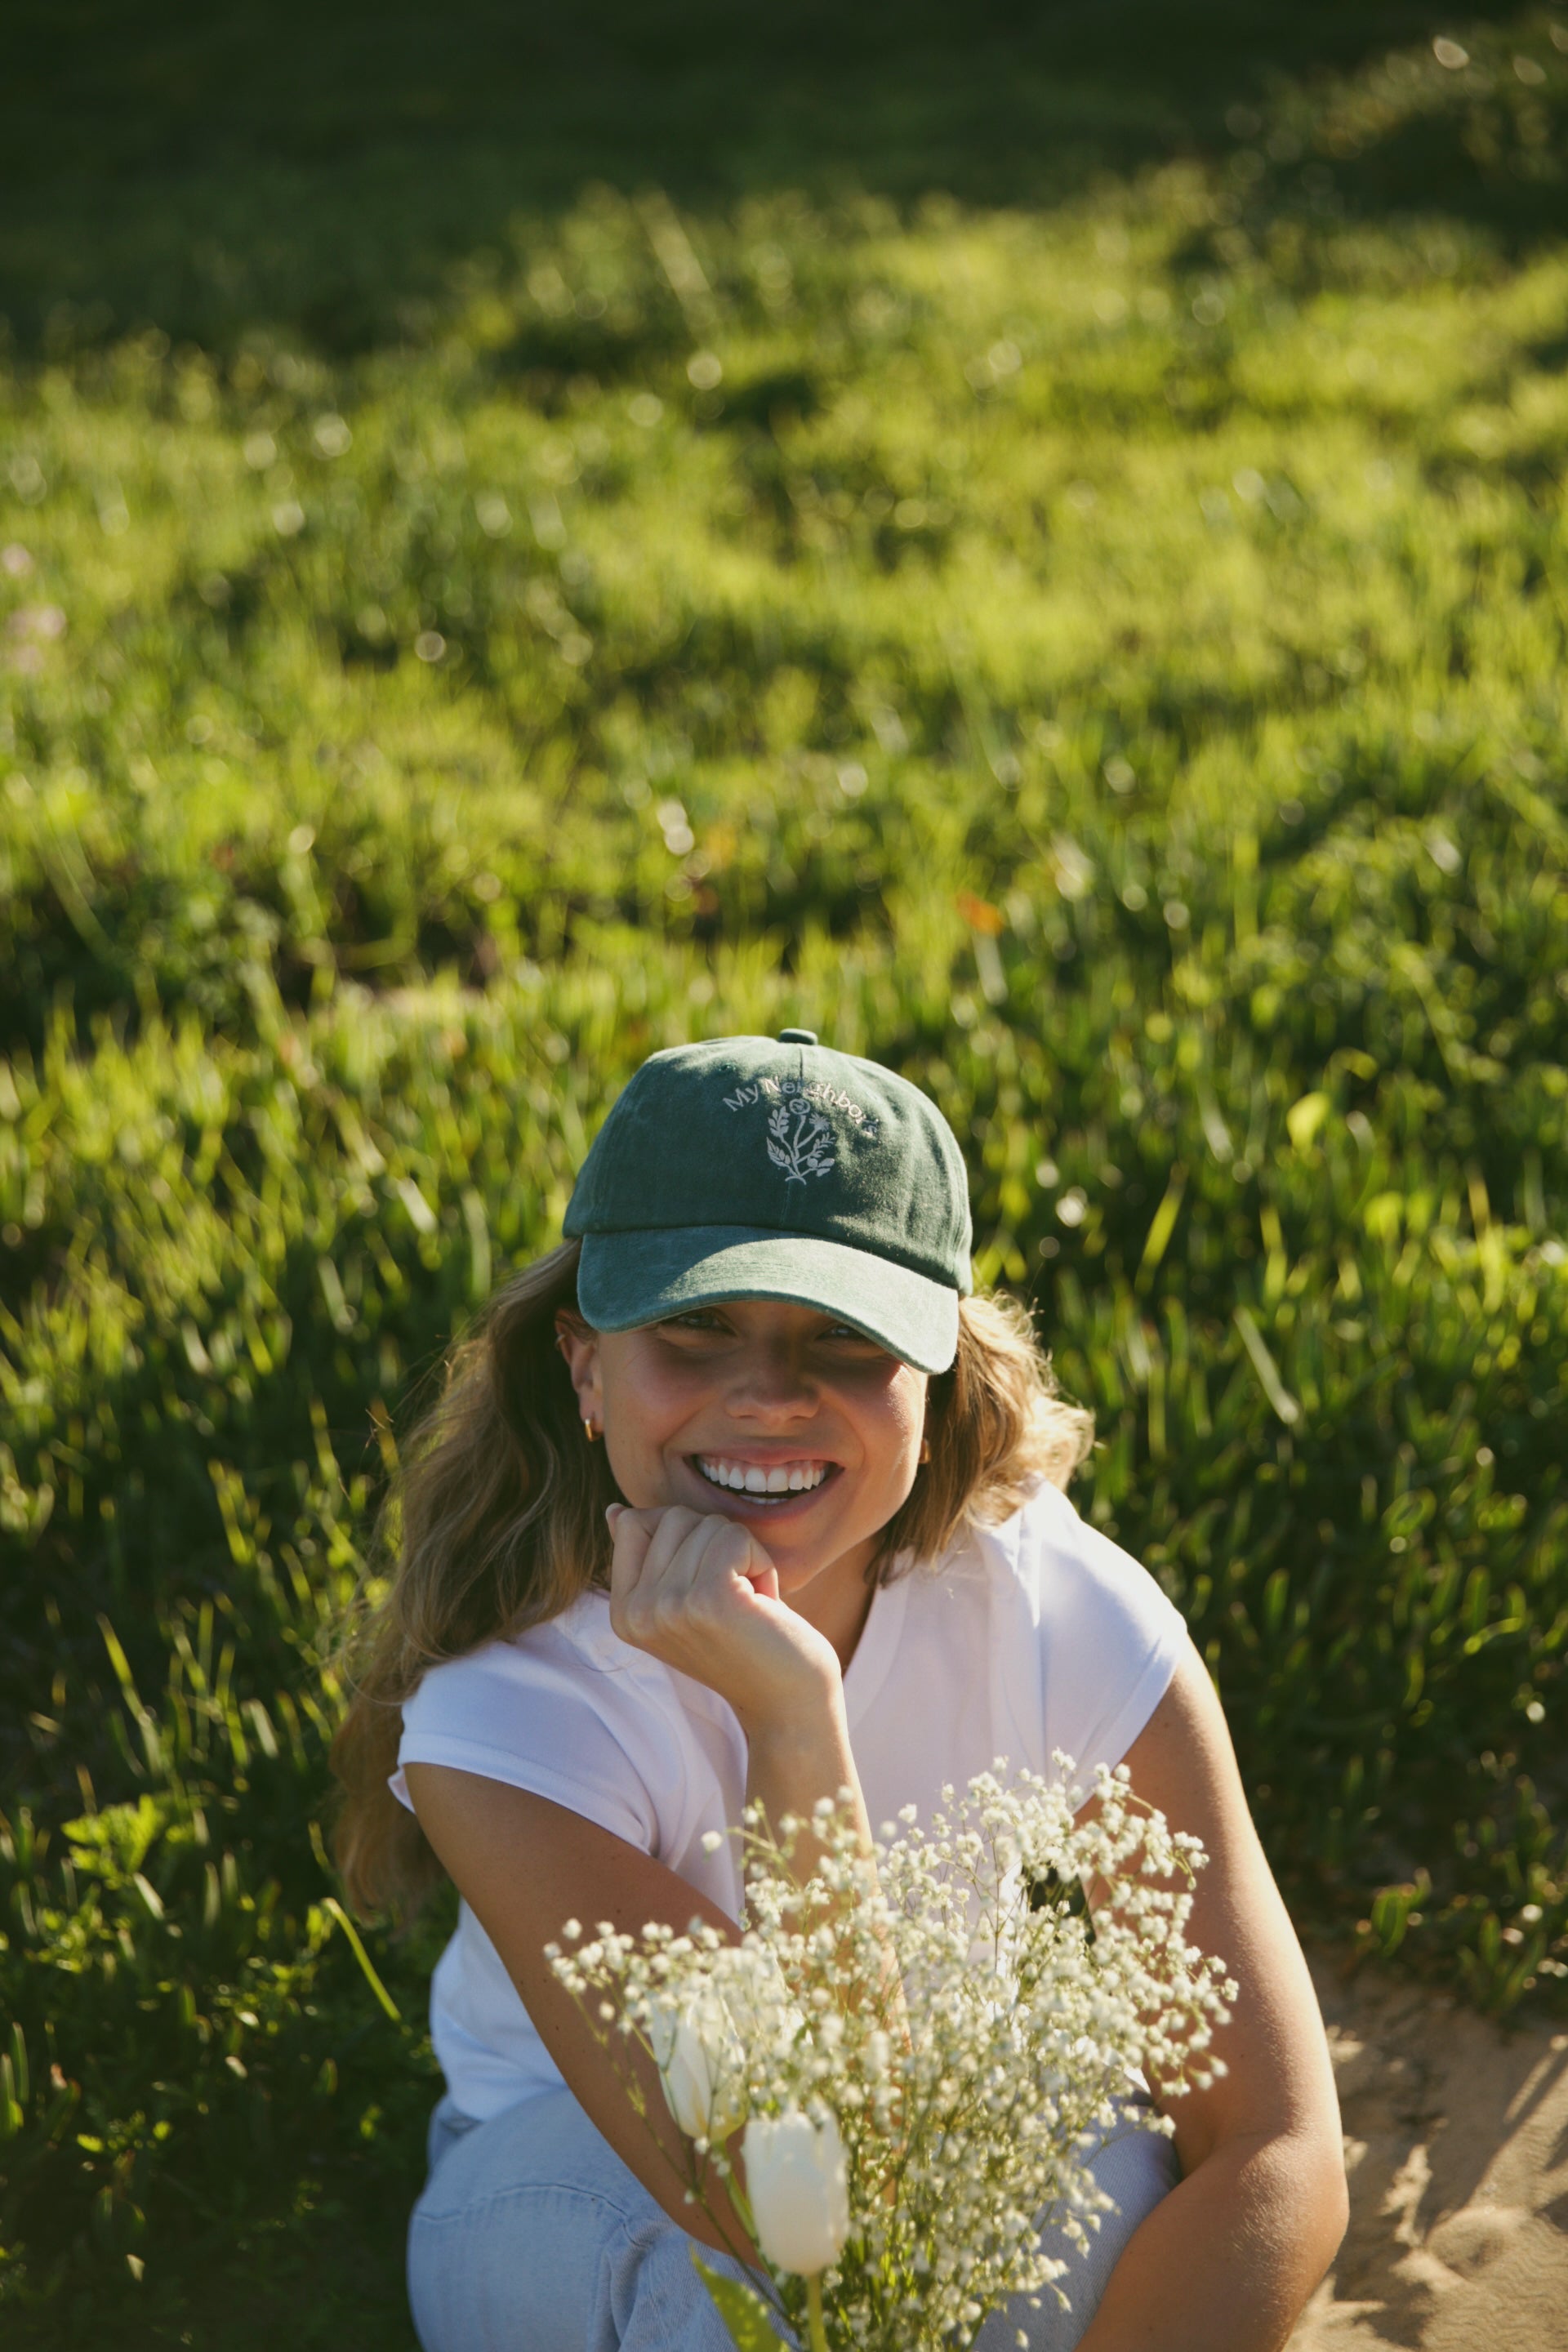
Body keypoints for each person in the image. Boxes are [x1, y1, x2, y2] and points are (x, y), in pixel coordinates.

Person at [332, 1030, 1347, 2352]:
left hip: (927, 2123)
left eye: (848, 1337)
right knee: (740, 2310)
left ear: (934, 1371)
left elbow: (1273, 2144)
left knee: (1114, 2198)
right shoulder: (503, 1714)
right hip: (576, 2184)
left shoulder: (1054, 1602)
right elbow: (794, 2206)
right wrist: (792, 1719)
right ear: (585, 1364)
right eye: (697, 1326)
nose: (770, 1397)